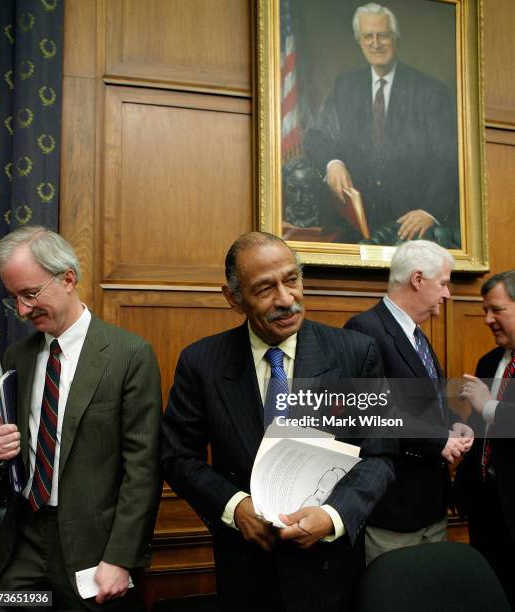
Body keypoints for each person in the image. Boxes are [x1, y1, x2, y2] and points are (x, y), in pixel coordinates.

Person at [161, 231, 396, 611]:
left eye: (292, 280)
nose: (286, 300)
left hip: (330, 573)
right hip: (246, 570)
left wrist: (333, 515)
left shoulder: (355, 353)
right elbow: (176, 456)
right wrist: (235, 506)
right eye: (265, 289)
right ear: (233, 298)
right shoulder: (201, 363)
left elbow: (380, 455)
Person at [0, 227, 162, 611]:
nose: (21, 310)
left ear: (68, 278)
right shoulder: (16, 357)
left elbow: (143, 469)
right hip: (23, 547)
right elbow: (5, 458)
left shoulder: (128, 356)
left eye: (30, 294)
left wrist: (120, 558)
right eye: (14, 298)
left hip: (93, 554)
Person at [344, 240, 473, 563]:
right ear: (418, 279)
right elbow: (372, 410)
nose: (447, 294)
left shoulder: (415, 334)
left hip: (430, 505)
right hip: (393, 510)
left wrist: (451, 425)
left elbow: (423, 402)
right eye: (443, 283)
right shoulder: (365, 329)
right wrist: (438, 438)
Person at [304, 2, 458, 243]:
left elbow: (449, 159)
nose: (375, 43)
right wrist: (333, 163)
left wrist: (430, 212)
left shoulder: (430, 92)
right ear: (359, 41)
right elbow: (316, 135)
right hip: (356, 225)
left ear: (395, 38)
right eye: (368, 36)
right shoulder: (346, 86)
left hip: (411, 225)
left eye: (383, 36)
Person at [457, 271, 515, 608]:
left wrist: (488, 407)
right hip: (485, 510)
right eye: (484, 311)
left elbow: (489, 410)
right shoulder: (489, 361)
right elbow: (483, 427)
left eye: (497, 310)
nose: (488, 320)